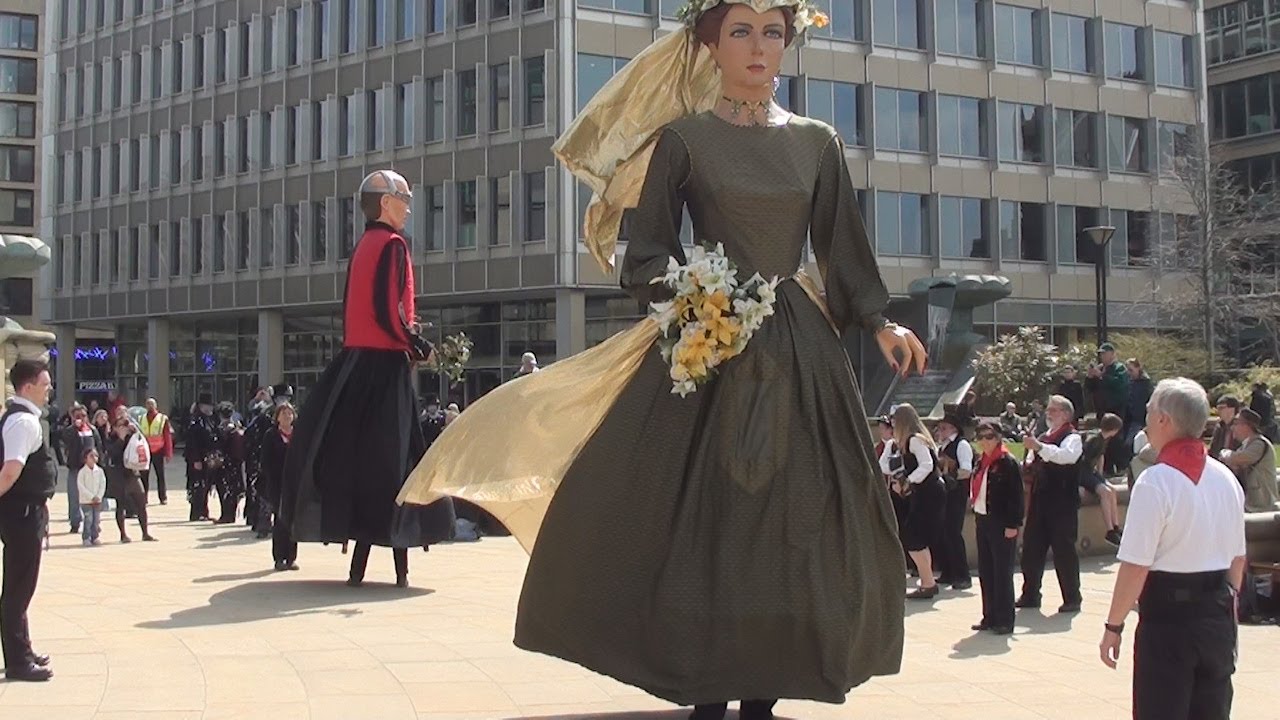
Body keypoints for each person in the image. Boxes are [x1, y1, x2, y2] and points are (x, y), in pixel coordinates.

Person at [397, 0, 930, 713]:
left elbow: (842, 251)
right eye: (740, 31)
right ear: (710, 45)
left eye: (772, 32)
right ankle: (706, 685)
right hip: (709, 349)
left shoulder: (817, 142)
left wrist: (878, 322)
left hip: (800, 351)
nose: (758, 47)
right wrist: (698, 297)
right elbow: (645, 253)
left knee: (793, 519)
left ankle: (767, 688)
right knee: (697, 519)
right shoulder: (684, 141)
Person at [280, 169, 454, 589]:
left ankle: (357, 567)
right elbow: (387, 310)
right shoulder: (394, 246)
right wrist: (416, 344)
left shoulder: (362, 247)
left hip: (354, 365)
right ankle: (399, 568)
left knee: (357, 461)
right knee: (395, 464)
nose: (409, 208)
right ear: (386, 203)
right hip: (384, 367)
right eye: (405, 200)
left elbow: (361, 309)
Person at [1099, 378, 1247, 720]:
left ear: (1165, 419)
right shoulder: (1225, 478)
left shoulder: (1155, 481)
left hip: (1169, 620)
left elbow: (1135, 566)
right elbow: (1238, 557)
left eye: (1150, 411)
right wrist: (1226, 607)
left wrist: (1113, 626)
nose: (1146, 420)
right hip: (1216, 613)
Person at [0, 360, 56, 681]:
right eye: (44, 384)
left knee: (21, 586)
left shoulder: (20, 418)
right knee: (19, 587)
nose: (48, 390)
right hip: (22, 513)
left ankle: (23, 649)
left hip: (23, 511)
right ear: (27, 386)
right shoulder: (24, 422)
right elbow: (10, 471)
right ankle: (18, 661)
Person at [1017, 395, 1084, 614]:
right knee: (1031, 548)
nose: (1049, 413)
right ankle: (1030, 594)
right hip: (1040, 499)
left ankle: (1072, 597)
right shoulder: (1044, 437)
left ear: (1065, 414)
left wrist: (1038, 447)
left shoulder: (1072, 437)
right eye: (1048, 410)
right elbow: (1032, 461)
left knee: (1064, 550)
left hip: (1062, 502)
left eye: (1053, 410)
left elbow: (1066, 457)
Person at [882, 405, 945, 600]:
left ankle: (928, 583)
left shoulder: (916, 440)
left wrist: (908, 481)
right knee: (915, 537)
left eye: (894, 420)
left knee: (914, 537)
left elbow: (927, 465)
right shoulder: (898, 443)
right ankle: (928, 582)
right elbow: (883, 465)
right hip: (921, 493)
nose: (891, 423)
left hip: (930, 492)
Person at [969, 420, 1023, 635]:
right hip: (983, 519)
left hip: (1002, 522)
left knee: (1002, 572)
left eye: (989, 436)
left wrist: (1013, 524)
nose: (984, 441)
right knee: (986, 570)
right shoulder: (981, 461)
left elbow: (1017, 497)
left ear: (999, 437)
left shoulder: (1007, 462)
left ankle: (1004, 620)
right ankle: (989, 615)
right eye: (980, 437)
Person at [933, 414, 972, 590]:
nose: (940, 431)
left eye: (943, 427)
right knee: (943, 532)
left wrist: (950, 476)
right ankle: (947, 571)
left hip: (957, 493)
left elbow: (966, 470)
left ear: (953, 429)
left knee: (954, 532)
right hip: (944, 493)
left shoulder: (962, 445)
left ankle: (963, 575)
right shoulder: (943, 446)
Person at [1218, 408, 1280, 512]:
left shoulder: (1259, 444)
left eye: (1236, 423)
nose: (1232, 428)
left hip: (1261, 505)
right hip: (1251, 503)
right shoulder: (1246, 445)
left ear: (1246, 426)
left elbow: (1237, 458)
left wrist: (1225, 453)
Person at [261, 403, 298, 572]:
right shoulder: (271, 435)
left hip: (294, 485)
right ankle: (279, 557)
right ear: (277, 417)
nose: (287, 416)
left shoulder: (298, 435)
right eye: (283, 413)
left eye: (290, 413)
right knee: (280, 521)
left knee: (293, 521)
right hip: (277, 485)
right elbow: (266, 462)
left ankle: (291, 558)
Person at [106, 418, 155, 543]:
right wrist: (120, 439)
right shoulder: (111, 438)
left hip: (133, 474)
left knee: (141, 502)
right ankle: (123, 534)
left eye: (126, 425)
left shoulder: (132, 437)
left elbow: (141, 444)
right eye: (121, 426)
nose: (124, 428)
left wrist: (136, 431)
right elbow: (112, 453)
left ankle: (145, 533)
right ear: (115, 427)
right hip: (119, 475)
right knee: (121, 505)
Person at [1081, 413, 1124, 546]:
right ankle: (1110, 531)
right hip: (1082, 472)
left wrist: (1100, 476)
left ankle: (1116, 527)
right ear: (1114, 429)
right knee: (1105, 492)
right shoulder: (1093, 439)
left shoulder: (1103, 439)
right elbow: (1082, 458)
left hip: (1090, 472)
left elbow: (1101, 456)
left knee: (1112, 490)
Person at [60, 402, 102, 534]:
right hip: (75, 467)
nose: (81, 418)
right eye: (77, 416)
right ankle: (75, 522)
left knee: (92, 495)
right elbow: (64, 439)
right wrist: (74, 428)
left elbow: (99, 445)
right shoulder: (70, 430)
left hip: (90, 468)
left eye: (83, 415)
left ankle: (94, 524)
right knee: (74, 496)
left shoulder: (92, 429)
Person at [184, 394, 218, 521]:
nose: (210, 408)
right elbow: (192, 443)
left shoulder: (211, 419)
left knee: (206, 485)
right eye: (207, 405)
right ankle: (197, 512)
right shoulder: (196, 421)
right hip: (197, 458)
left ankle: (204, 511)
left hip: (207, 457)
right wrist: (195, 459)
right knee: (197, 485)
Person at [139, 398, 172, 505]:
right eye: (148, 404)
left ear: (155, 406)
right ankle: (143, 498)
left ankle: (163, 497)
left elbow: (167, 437)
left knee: (160, 475)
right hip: (145, 451)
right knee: (144, 476)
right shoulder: (141, 418)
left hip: (158, 451)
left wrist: (168, 453)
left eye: (151, 404)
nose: (149, 406)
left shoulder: (162, 419)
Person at [76, 448, 106, 546]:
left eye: (95, 456)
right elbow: (81, 486)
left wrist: (99, 496)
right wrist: (91, 496)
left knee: (96, 520)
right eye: (91, 456)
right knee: (88, 519)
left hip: (97, 501)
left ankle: (95, 537)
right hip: (86, 501)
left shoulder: (100, 471)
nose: (94, 458)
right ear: (85, 458)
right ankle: (86, 538)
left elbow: (103, 484)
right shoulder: (82, 472)